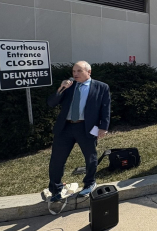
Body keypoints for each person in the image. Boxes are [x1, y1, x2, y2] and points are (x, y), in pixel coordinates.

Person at [47, 61, 111, 201]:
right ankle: (55, 190)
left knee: (90, 158)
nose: (75, 74)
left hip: (86, 127)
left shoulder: (101, 87)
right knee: (57, 160)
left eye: (79, 71)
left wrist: (103, 127)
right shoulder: (68, 87)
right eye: (73, 71)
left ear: (89, 72)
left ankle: (89, 183)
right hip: (65, 128)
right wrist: (60, 89)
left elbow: (105, 108)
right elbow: (51, 103)